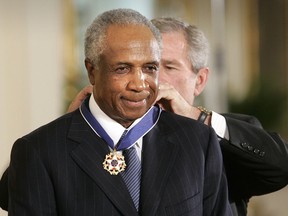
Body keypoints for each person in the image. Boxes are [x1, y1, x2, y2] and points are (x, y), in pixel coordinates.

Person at [5, 9, 232, 215]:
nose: (139, 84)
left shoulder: (199, 142)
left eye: (149, 68)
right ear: (92, 71)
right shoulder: (40, 151)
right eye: (123, 69)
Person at [53, 17, 288, 216]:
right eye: (146, 65)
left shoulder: (215, 137)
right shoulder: (91, 135)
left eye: (168, 67)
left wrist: (197, 117)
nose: (149, 80)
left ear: (200, 80)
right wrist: (67, 131)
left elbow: (280, 168)